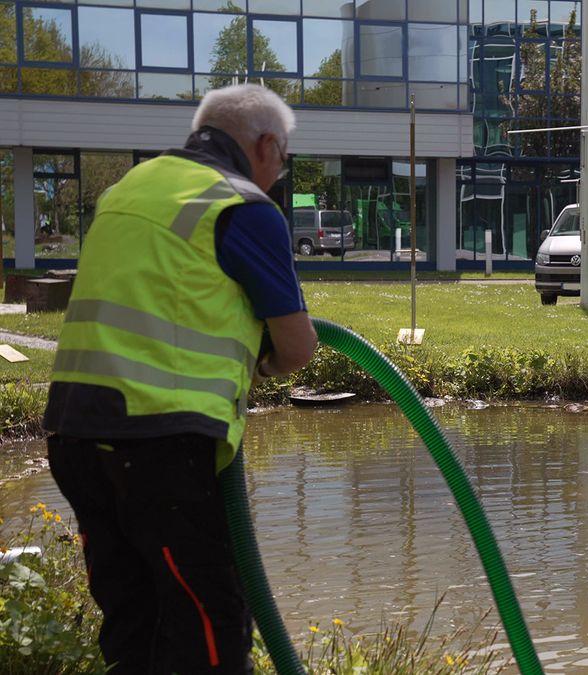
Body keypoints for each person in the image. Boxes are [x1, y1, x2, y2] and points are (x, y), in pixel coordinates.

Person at [43, 84, 317, 674]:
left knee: (133, 618)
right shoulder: (241, 204)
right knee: (210, 620)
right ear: (266, 145)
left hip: (72, 435)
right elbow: (299, 346)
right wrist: (264, 365)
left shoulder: (125, 190)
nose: (281, 173)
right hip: (157, 444)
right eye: (285, 157)